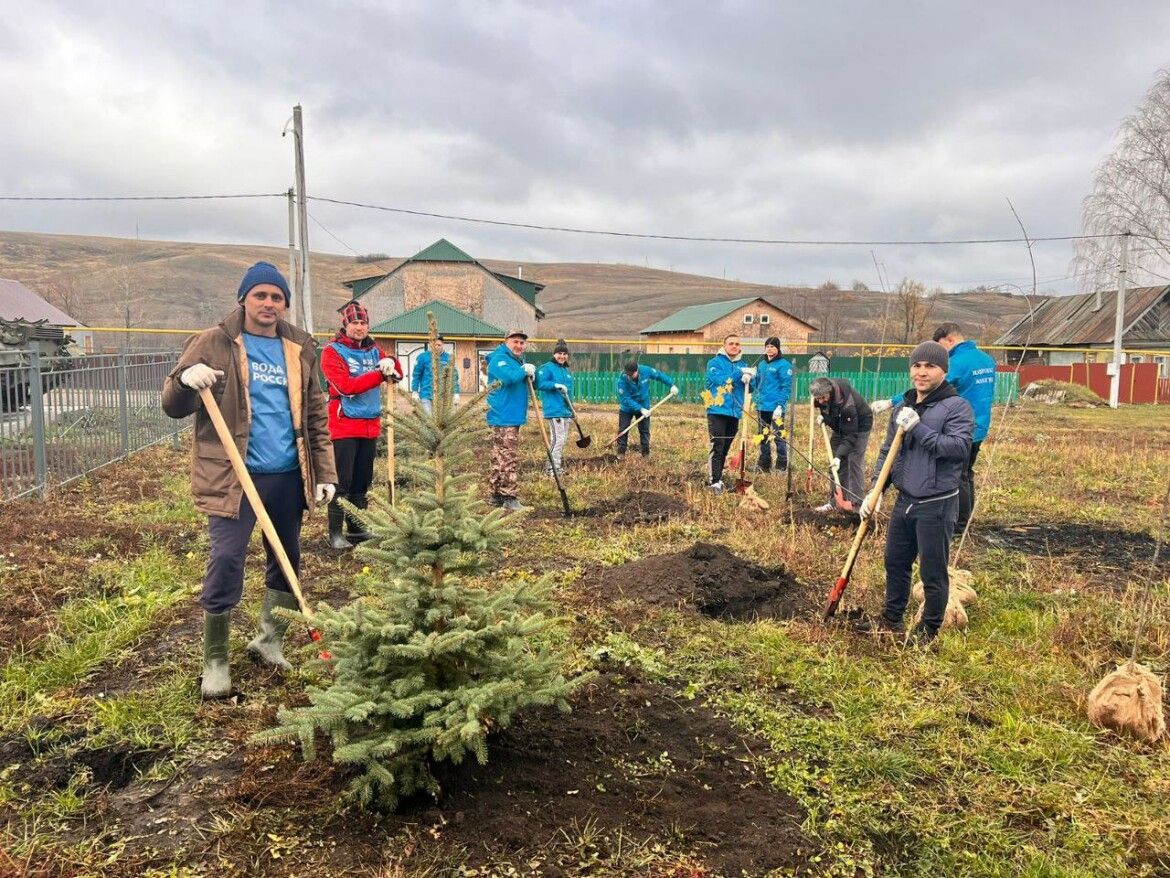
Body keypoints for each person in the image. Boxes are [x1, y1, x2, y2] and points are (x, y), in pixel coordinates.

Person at [161, 262, 337, 699]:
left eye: (277, 297)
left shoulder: (299, 346)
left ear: (285, 304)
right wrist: (186, 379)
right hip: (232, 475)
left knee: (287, 557)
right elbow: (171, 404)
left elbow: (316, 411)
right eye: (261, 295)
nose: (269, 304)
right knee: (226, 559)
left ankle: (268, 640)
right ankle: (215, 660)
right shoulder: (215, 341)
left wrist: (325, 471)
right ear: (244, 298)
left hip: (286, 475)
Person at [859, 341, 974, 646]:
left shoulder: (957, 407)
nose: (921, 372)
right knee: (895, 562)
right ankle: (892, 618)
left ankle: (928, 631)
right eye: (917, 366)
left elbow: (958, 449)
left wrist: (919, 428)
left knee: (933, 571)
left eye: (930, 366)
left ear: (943, 371)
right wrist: (876, 490)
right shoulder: (903, 407)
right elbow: (888, 452)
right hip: (905, 500)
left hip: (936, 503)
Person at [872, 324, 995, 534]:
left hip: (953, 424)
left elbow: (926, 386)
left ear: (948, 340)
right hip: (980, 424)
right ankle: (964, 520)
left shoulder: (957, 362)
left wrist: (893, 402)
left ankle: (959, 524)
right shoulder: (986, 359)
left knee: (958, 476)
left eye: (940, 348)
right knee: (966, 474)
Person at [319, 301, 402, 550]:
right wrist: (379, 374)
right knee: (341, 481)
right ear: (345, 325)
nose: (359, 327)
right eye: (354, 322)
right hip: (344, 425)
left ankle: (356, 528)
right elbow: (346, 386)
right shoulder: (332, 352)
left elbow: (394, 372)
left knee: (361, 481)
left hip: (370, 424)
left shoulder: (374, 350)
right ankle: (335, 532)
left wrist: (392, 364)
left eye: (363, 323)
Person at [486, 328, 534, 511]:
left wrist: (530, 373)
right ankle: (509, 497)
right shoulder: (499, 360)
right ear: (506, 341)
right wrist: (523, 370)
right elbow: (509, 378)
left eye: (522, 343)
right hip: (503, 415)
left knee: (499, 456)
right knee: (508, 457)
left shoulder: (517, 360)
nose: (519, 346)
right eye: (516, 342)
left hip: (511, 415)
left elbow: (523, 379)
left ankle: (495, 494)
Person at [810, 376, 872, 512]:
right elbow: (830, 412)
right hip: (840, 425)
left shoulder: (847, 405)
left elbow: (850, 436)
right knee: (835, 465)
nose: (820, 401)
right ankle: (835, 502)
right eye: (818, 398)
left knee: (853, 461)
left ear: (830, 392)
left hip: (859, 427)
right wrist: (825, 418)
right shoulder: (822, 395)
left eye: (823, 398)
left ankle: (856, 505)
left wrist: (839, 457)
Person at [704, 334, 755, 494]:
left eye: (737, 344)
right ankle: (714, 481)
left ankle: (719, 476)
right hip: (717, 410)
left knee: (725, 447)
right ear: (724, 345)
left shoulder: (743, 364)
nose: (734, 346)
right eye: (731, 343)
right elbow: (720, 380)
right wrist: (739, 374)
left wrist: (750, 379)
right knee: (717, 445)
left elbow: (751, 388)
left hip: (734, 412)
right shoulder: (715, 363)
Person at [615, 360, 677, 457]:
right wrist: (640, 409)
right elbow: (626, 399)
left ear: (637, 371)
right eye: (628, 374)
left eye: (631, 374)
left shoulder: (645, 371)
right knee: (623, 429)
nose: (629, 377)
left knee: (644, 431)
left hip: (644, 405)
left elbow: (659, 376)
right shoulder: (622, 380)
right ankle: (621, 453)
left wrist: (671, 384)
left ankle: (645, 454)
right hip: (627, 409)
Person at [752, 336, 793, 473]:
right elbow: (757, 383)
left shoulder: (784, 365)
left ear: (778, 348)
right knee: (762, 436)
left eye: (772, 347)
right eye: (767, 346)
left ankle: (781, 465)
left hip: (775, 407)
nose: (769, 349)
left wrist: (780, 405)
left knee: (778, 436)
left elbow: (786, 386)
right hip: (762, 406)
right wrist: (750, 377)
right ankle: (764, 464)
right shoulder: (762, 364)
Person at [535, 338, 574, 475]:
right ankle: (550, 468)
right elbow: (539, 384)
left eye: (565, 354)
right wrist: (555, 385)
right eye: (559, 354)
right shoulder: (547, 368)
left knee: (562, 440)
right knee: (557, 440)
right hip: (554, 410)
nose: (562, 356)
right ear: (554, 354)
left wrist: (571, 411)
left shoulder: (566, 371)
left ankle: (557, 466)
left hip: (565, 411)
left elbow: (569, 393)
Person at [411, 334, 460, 413]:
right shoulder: (422, 357)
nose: (437, 347)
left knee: (441, 422)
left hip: (443, 396)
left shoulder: (449, 358)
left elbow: (454, 377)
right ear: (430, 344)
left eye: (439, 345)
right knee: (428, 420)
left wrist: (456, 393)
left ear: (443, 345)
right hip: (426, 394)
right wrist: (414, 391)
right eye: (434, 345)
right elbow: (416, 375)